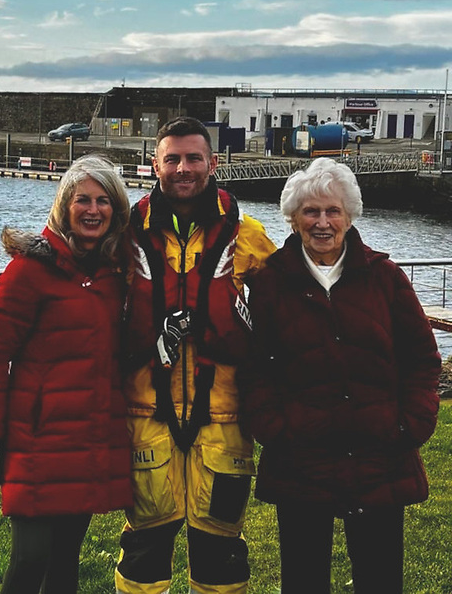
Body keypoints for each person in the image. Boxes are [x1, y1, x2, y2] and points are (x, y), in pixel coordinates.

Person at [241, 157, 441, 593]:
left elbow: (423, 361)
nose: (323, 222)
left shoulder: (385, 278)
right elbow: (254, 370)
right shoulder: (270, 284)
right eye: (311, 212)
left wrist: (410, 424)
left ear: (350, 216)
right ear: (293, 220)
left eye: (333, 211)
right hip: (301, 460)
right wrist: (276, 429)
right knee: (304, 579)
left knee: (380, 579)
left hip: (379, 456)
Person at [115, 117, 276, 594]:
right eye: (172, 159)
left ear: (214, 163)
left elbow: (287, 312)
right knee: (143, 551)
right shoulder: (123, 237)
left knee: (221, 552)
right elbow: (73, 269)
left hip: (223, 422)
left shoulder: (248, 236)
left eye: (193, 158)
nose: (183, 168)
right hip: (146, 418)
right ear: (154, 165)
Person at [0, 154, 134, 594]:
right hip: (36, 437)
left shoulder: (111, 275)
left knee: (65, 562)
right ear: (64, 205)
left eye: (103, 201)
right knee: (30, 559)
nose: (93, 210)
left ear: (115, 211)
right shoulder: (28, 272)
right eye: (83, 199)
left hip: (87, 436)